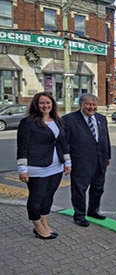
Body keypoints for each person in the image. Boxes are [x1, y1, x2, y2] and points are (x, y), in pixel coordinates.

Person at [17, 92, 71, 239]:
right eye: (42, 103)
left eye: (48, 103)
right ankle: (38, 226)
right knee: (36, 198)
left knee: (48, 196)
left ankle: (45, 223)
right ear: (36, 104)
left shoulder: (57, 121)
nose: (45, 106)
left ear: (52, 104)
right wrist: (22, 169)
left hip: (56, 166)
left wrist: (67, 162)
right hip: (37, 167)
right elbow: (22, 147)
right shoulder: (27, 122)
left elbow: (62, 143)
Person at [63, 94, 111, 227]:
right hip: (80, 162)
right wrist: (67, 161)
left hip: (100, 160)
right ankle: (79, 215)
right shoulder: (69, 119)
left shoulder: (101, 118)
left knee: (98, 188)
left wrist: (108, 156)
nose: (92, 107)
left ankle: (93, 210)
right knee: (79, 190)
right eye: (89, 104)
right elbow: (64, 143)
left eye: (94, 105)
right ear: (81, 104)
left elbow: (105, 138)